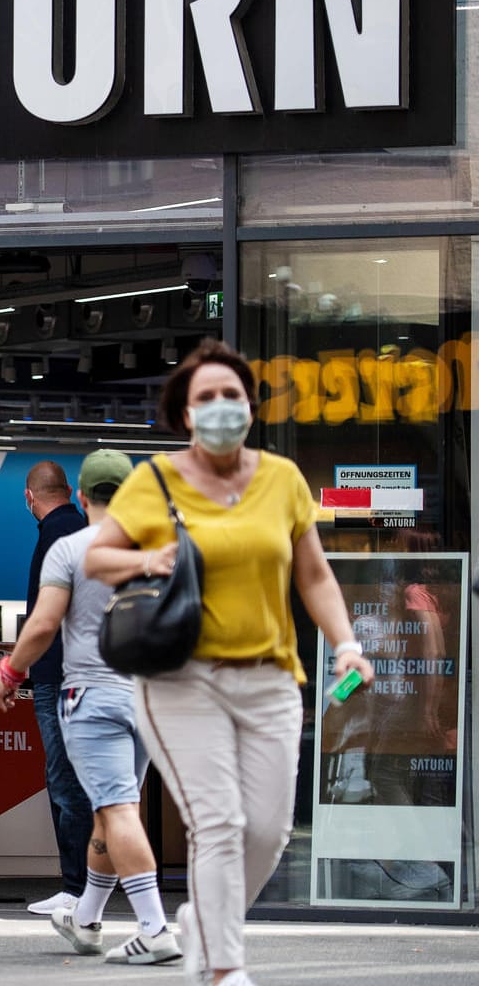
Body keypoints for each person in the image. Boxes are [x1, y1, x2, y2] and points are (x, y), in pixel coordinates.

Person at [84, 340, 376, 986]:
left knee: (268, 832)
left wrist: (347, 643)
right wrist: (145, 560)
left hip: (271, 680)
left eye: (232, 396)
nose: (221, 408)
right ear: (186, 415)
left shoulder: (282, 479)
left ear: (251, 405)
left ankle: (202, 926)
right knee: (218, 822)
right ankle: (224, 969)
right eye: (206, 399)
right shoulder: (153, 481)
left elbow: (315, 575)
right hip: (182, 681)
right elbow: (96, 560)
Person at [0, 450, 180, 965]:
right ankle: (86, 917)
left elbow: (42, 623)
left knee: (116, 809)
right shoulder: (160, 548)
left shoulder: (72, 548)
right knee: (113, 806)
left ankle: (155, 927)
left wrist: (10, 673)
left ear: (82, 496)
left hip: (93, 697)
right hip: (149, 697)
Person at [21, 459, 92, 916]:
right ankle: (87, 885)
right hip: (90, 674)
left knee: (65, 783)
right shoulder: (86, 532)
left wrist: (14, 670)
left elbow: (45, 618)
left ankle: (77, 887)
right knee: (88, 782)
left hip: (58, 676)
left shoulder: (52, 538)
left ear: (29, 498)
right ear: (69, 490)